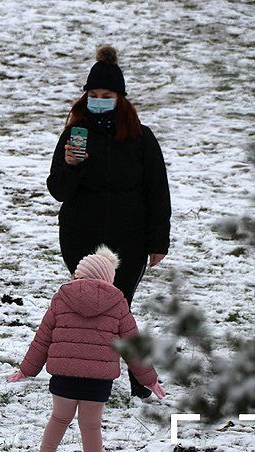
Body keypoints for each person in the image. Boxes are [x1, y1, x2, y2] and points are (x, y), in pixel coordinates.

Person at [46, 45, 171, 398]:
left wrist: (158, 241)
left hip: (128, 240)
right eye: (94, 95)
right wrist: (72, 166)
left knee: (120, 308)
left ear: (121, 98)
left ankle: (138, 380)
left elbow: (157, 192)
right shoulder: (74, 135)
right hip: (80, 237)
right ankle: (84, 374)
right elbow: (58, 190)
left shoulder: (141, 138)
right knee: (86, 309)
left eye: (108, 95)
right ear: (86, 97)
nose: (100, 100)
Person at [6, 247, 166, 452]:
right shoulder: (118, 302)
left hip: (64, 376)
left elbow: (43, 338)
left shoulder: (62, 297)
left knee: (59, 419)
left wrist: (26, 369)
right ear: (108, 278)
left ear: (79, 275)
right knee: (91, 425)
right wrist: (148, 379)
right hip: (98, 380)